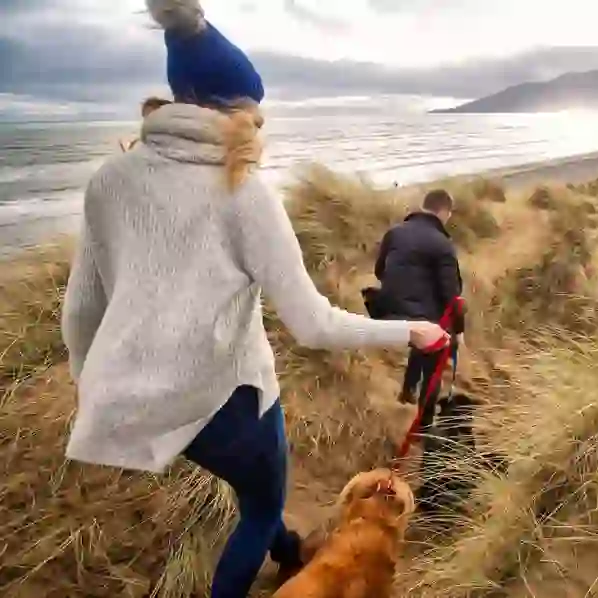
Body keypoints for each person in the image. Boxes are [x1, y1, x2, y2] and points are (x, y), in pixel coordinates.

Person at [61, 6, 448, 598]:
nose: (260, 128)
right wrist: (409, 332)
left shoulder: (110, 180)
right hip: (231, 400)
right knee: (263, 505)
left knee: (253, 490)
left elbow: (80, 314)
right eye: (256, 113)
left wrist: (94, 389)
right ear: (236, 110)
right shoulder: (244, 192)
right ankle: (264, 560)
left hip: (150, 405)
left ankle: (290, 553)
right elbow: (313, 325)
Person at [373, 189, 466, 425]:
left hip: (386, 311)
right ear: (444, 212)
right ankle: (424, 425)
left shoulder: (394, 233)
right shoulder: (442, 244)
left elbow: (379, 271)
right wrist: (459, 332)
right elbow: (452, 296)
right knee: (435, 345)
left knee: (421, 326)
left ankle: (407, 390)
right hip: (419, 318)